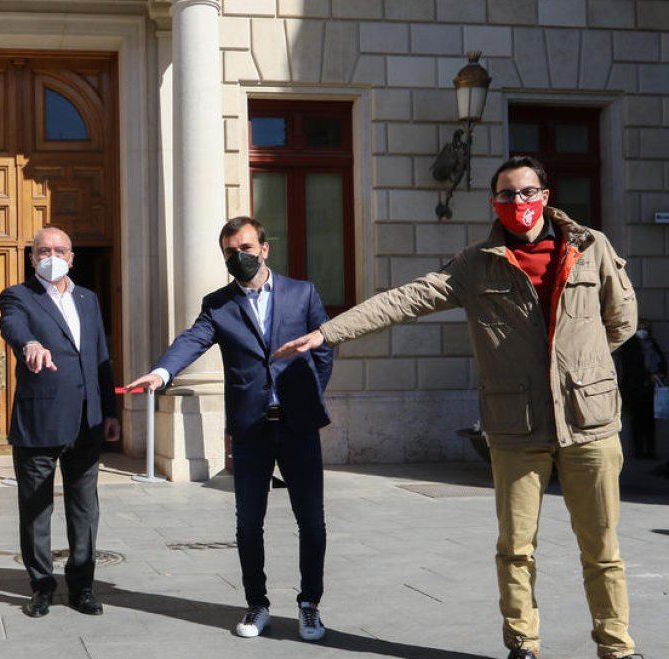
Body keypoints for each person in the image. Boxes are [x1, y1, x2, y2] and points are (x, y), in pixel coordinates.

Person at [276, 156, 641, 659]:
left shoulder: (592, 247)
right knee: (515, 548)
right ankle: (523, 646)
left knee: (602, 550)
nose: (519, 204)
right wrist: (326, 332)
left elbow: (619, 323)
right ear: (494, 203)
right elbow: (406, 298)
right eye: (507, 195)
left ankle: (616, 648)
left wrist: (577, 371)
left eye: (527, 192)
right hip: (517, 428)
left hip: (589, 422)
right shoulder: (477, 263)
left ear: (546, 194)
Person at [126, 216, 334, 642]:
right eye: (229, 252)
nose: (238, 257)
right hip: (251, 430)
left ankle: (309, 604)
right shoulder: (218, 303)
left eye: (245, 248)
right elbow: (192, 340)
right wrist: (162, 373)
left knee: (312, 522)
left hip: (298, 428)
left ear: (264, 248)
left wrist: (308, 394)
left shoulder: (302, 293)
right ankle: (256, 603)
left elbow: (325, 350)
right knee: (247, 524)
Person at [0, 226, 120, 618]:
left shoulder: (89, 299)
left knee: (85, 508)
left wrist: (111, 414)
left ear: (72, 257)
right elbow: (12, 325)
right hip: (39, 420)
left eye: (59, 249)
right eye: (43, 250)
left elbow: (101, 355)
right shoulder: (19, 295)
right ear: (32, 257)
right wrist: (29, 344)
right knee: (36, 508)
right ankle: (41, 586)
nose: (51, 255)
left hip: (87, 420)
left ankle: (83, 586)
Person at [617, 319, 665, 459]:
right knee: (637, 421)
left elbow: (661, 362)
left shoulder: (653, 345)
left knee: (650, 422)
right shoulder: (630, 345)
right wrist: (648, 375)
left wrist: (660, 373)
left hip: (651, 389)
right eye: (640, 328)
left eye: (645, 328)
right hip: (635, 389)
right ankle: (639, 452)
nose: (642, 331)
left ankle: (650, 451)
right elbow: (629, 367)